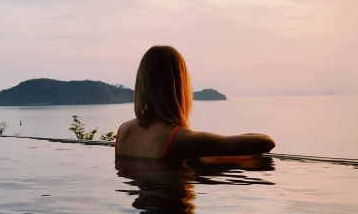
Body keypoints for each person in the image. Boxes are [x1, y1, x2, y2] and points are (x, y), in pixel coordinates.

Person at [115, 45, 275, 162]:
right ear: (180, 85)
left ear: (142, 83)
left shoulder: (124, 131)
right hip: (171, 209)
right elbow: (266, 142)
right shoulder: (181, 139)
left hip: (141, 209)